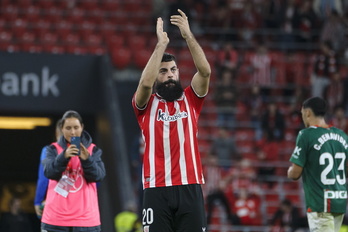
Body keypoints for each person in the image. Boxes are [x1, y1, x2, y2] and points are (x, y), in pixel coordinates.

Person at [132, 9, 211, 232]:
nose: (169, 75)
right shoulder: (146, 105)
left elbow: (205, 72)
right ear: (157, 76)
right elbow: (145, 85)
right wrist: (161, 45)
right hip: (156, 189)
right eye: (163, 71)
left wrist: (188, 36)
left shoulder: (191, 99)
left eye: (173, 70)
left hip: (190, 186)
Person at [288, 97, 348, 232]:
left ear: (307, 112)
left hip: (320, 203)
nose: (302, 117)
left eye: (302, 113)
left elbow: (295, 174)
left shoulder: (306, 135)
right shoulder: (342, 136)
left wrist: (289, 171)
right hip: (339, 202)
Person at [41, 110, 106, 232]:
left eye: (76, 127)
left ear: (82, 127)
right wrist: (64, 156)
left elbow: (99, 176)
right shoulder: (52, 149)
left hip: (86, 221)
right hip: (55, 221)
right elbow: (49, 173)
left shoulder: (93, 150)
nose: (72, 132)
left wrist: (87, 160)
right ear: (62, 129)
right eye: (68, 128)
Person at [34, 119, 62, 219]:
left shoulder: (48, 151)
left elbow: (43, 179)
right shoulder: (84, 153)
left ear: (57, 132)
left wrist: (38, 201)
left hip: (56, 207)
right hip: (81, 209)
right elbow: (95, 181)